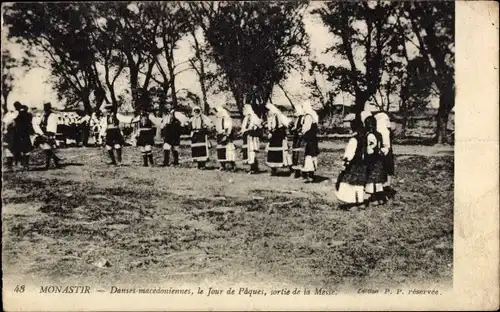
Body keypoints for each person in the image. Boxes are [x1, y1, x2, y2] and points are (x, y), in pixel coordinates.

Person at [335, 115, 368, 209]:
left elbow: (349, 154)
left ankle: (352, 203)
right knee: (359, 184)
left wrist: (345, 164)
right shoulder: (365, 138)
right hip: (363, 164)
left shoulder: (354, 139)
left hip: (354, 165)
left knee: (349, 183)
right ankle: (360, 201)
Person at [363, 115, 388, 204]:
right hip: (379, 159)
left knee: (372, 178)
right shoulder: (379, 134)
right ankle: (380, 197)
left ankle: (374, 198)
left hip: (372, 159)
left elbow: (370, 149)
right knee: (377, 178)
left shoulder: (369, 135)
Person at [32, 102, 63, 169]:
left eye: (47, 107)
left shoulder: (52, 115)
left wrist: (51, 134)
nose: (45, 108)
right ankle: (55, 159)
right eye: (45, 107)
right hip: (43, 132)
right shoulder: (43, 114)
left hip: (49, 132)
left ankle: (48, 164)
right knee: (45, 148)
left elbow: (53, 125)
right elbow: (40, 122)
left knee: (47, 148)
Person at [264, 103, 292, 176]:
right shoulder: (269, 117)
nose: (267, 112)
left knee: (283, 152)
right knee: (272, 153)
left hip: (279, 137)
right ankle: (273, 170)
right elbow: (269, 127)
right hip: (273, 138)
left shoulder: (279, 116)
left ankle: (291, 169)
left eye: (268, 111)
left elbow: (288, 123)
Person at [160, 102, 188, 167]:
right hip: (168, 133)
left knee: (175, 147)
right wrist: (162, 127)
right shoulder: (166, 115)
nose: (168, 107)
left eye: (169, 105)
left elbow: (184, 119)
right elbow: (163, 124)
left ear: (172, 106)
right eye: (166, 106)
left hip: (175, 132)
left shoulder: (176, 113)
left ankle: (176, 162)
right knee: (166, 146)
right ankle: (166, 162)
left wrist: (182, 125)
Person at [239, 104, 262, 174]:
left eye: (244, 109)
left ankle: (254, 168)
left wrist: (253, 128)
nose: (243, 110)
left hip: (252, 138)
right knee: (248, 152)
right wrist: (242, 131)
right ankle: (252, 168)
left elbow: (258, 126)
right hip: (247, 137)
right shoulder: (246, 118)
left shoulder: (254, 117)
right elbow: (243, 127)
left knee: (252, 152)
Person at [300, 101, 320, 183]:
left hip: (310, 138)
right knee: (312, 156)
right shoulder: (313, 115)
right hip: (313, 138)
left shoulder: (308, 116)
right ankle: (310, 174)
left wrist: (302, 132)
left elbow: (306, 128)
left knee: (309, 156)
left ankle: (310, 175)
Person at [214, 104, 236, 171]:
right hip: (220, 136)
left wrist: (227, 135)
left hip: (227, 136)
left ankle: (232, 166)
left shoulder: (228, 119)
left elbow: (230, 128)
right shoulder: (218, 120)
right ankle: (222, 165)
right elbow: (217, 128)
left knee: (229, 151)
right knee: (220, 150)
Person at [290, 103, 305, 179]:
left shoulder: (303, 118)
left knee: (299, 155)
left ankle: (301, 173)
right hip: (296, 138)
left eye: (295, 110)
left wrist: (298, 130)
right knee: (295, 154)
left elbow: (302, 127)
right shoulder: (297, 119)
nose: (294, 112)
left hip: (300, 138)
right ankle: (296, 172)